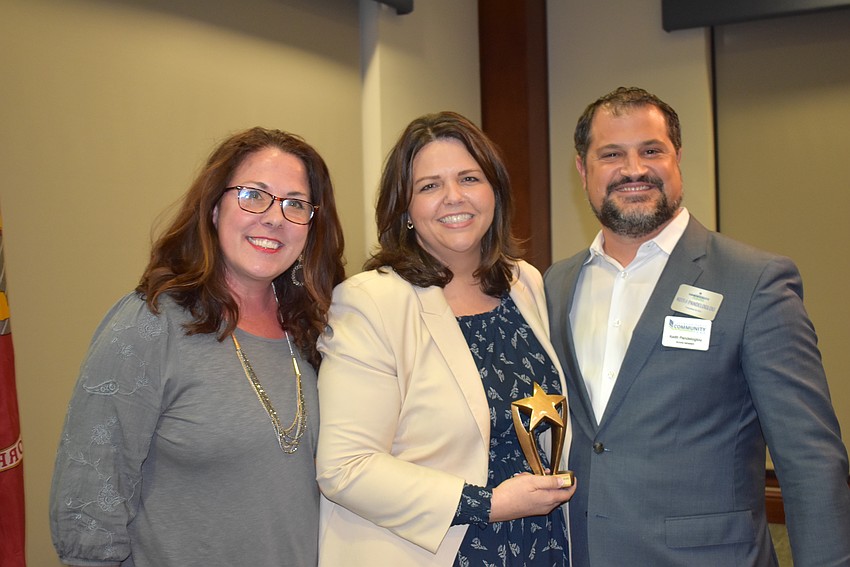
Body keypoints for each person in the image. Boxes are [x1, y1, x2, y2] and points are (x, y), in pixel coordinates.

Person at [545, 86, 850, 566]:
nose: (634, 169)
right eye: (612, 154)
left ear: (678, 159)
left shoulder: (754, 281)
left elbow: (810, 458)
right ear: (583, 170)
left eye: (651, 151)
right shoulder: (554, 284)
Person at [50, 127, 345, 567]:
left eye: (295, 204)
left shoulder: (317, 331)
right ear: (213, 208)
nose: (274, 218)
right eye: (253, 195)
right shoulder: (151, 323)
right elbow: (88, 505)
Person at [316, 111, 575, 566]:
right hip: (439, 552)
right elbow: (345, 468)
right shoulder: (371, 301)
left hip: (541, 545)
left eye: (469, 178)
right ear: (405, 209)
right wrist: (488, 503)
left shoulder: (524, 283)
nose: (454, 197)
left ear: (495, 192)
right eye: (429, 186)